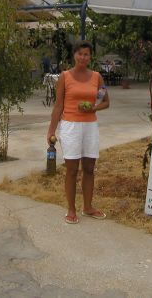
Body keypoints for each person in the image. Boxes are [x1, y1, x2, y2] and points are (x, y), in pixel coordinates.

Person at [47, 40, 110, 224]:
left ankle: (88, 207)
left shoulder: (97, 77)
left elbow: (105, 101)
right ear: (74, 55)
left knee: (89, 169)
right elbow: (58, 106)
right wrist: (51, 130)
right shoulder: (65, 77)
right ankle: (71, 209)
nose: (83, 57)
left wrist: (94, 108)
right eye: (80, 54)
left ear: (90, 57)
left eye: (86, 54)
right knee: (72, 170)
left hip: (90, 127)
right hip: (70, 127)